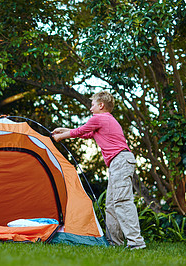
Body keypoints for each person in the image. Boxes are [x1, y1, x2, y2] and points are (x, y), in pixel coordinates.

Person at [51, 91, 146, 250]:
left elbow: (81, 131)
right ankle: (114, 243)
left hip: (120, 161)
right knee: (111, 205)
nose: (90, 108)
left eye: (93, 104)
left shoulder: (100, 118)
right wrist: (64, 129)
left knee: (122, 202)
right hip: (118, 163)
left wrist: (62, 136)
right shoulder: (104, 121)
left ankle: (136, 243)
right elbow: (86, 133)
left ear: (101, 105)